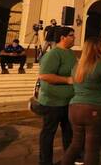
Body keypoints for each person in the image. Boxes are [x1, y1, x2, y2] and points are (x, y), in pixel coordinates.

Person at [61, 37, 101, 165]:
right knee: (92, 149)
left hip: (75, 108)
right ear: (98, 48)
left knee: (76, 144)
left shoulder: (78, 66)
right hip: (95, 109)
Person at [38, 27, 76, 165]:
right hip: (52, 103)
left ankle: (68, 160)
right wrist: (67, 80)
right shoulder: (53, 54)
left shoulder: (71, 53)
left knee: (69, 134)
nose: (74, 38)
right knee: (48, 135)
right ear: (62, 38)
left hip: (69, 102)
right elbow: (44, 75)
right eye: (71, 35)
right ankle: (45, 162)